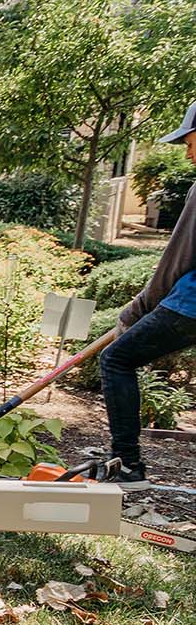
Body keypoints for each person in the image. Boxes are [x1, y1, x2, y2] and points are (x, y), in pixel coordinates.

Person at [100, 100, 196, 489]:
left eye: (190, 142)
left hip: (189, 307)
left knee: (116, 359)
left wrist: (136, 310)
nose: (188, 153)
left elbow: (177, 262)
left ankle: (128, 465)